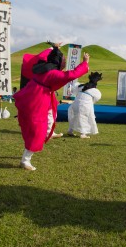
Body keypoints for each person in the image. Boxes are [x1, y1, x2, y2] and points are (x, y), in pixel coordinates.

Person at [13, 43, 89, 171]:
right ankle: (26, 160)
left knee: (49, 118)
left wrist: (54, 48)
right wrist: (85, 63)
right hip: (37, 101)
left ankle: (48, 132)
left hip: (34, 97)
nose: (65, 62)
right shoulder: (52, 74)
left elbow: (43, 56)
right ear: (57, 61)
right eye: (63, 59)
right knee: (37, 130)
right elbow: (72, 75)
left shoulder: (41, 68)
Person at [19, 43, 64, 138]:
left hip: (39, 88)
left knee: (49, 110)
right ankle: (46, 132)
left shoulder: (44, 65)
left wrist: (54, 48)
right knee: (46, 110)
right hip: (40, 91)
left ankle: (47, 131)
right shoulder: (46, 66)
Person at [66, 72, 103, 139]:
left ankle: (70, 130)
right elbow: (97, 98)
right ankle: (83, 134)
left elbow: (74, 88)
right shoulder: (95, 91)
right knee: (84, 118)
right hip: (84, 105)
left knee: (74, 117)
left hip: (75, 104)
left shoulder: (82, 86)